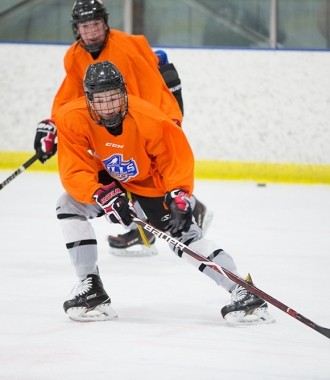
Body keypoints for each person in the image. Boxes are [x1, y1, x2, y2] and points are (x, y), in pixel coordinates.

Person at [55, 60, 274, 325]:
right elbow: (74, 169)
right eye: (100, 100)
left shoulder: (150, 119)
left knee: (183, 238)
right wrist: (99, 194)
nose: (108, 107)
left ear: (123, 93)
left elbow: (175, 159)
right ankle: (90, 287)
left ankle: (242, 289)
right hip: (111, 180)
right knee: (68, 205)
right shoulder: (71, 117)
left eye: (113, 98)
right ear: (88, 100)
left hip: (151, 181)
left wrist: (179, 194)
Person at [34, 0, 212, 256]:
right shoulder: (74, 55)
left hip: (152, 108)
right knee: (117, 167)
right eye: (85, 27)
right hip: (117, 113)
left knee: (148, 171)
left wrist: (165, 121)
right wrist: (53, 123)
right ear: (76, 30)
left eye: (96, 24)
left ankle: (188, 209)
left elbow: (149, 88)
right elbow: (72, 93)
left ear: (105, 24)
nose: (92, 31)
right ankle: (146, 229)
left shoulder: (126, 48)